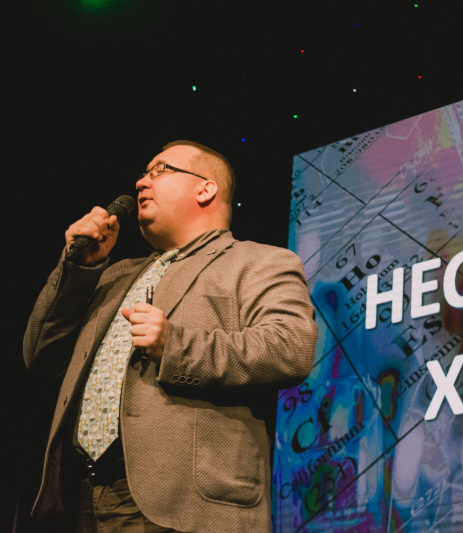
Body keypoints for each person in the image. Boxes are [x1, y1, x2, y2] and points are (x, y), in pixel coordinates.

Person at [23, 141, 318, 532]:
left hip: (185, 505)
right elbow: (40, 354)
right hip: (83, 497)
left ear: (205, 189)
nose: (141, 182)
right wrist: (78, 270)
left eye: (160, 170)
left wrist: (175, 345)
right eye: (144, 173)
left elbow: (290, 348)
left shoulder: (259, 262)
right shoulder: (114, 275)